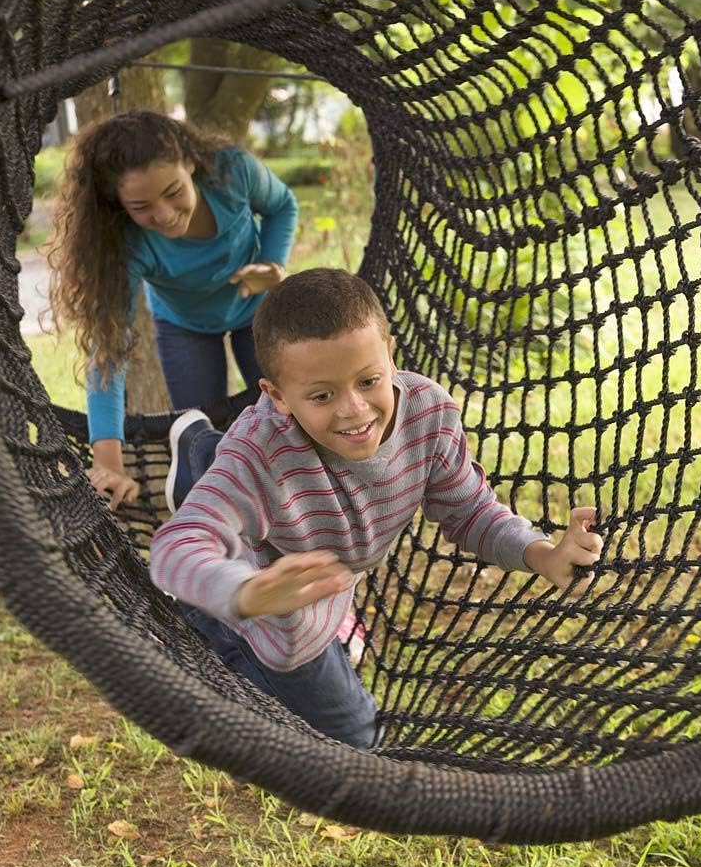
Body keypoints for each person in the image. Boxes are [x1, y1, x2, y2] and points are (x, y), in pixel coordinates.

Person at [148, 267, 604, 749]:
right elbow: (174, 551)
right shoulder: (259, 453)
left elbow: (469, 510)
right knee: (344, 739)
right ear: (278, 397)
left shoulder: (429, 412)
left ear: (390, 354)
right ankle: (202, 489)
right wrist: (246, 596)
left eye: (369, 381)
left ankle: (199, 453)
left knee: (229, 484)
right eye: (322, 395)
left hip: (316, 573)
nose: (354, 410)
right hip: (262, 602)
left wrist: (543, 553)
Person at [47, 109, 298, 510]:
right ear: (119, 203)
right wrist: (108, 461)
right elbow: (108, 350)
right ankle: (231, 520)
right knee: (200, 439)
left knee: (292, 413)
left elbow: (282, 206)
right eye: (141, 205)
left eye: (173, 192)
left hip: (258, 310)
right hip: (186, 327)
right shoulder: (127, 243)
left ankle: (295, 502)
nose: (162, 214)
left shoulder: (233, 173)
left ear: (193, 165)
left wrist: (272, 264)